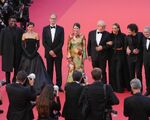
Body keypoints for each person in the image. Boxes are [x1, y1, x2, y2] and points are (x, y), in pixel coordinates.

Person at [18, 22, 50, 94]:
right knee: (25, 68)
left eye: (32, 27)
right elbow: (23, 46)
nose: (30, 28)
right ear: (27, 27)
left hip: (34, 54)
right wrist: (27, 54)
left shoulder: (36, 35)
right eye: (29, 27)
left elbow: (38, 46)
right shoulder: (24, 35)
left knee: (38, 70)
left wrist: (33, 53)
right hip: (26, 54)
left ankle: (35, 84)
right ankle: (24, 82)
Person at [42, 13, 64, 92]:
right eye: (51, 18)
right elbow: (44, 42)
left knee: (58, 70)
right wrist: (50, 51)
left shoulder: (61, 29)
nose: (53, 20)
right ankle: (50, 85)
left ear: (56, 19)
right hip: (48, 53)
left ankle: (58, 85)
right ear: (49, 19)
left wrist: (54, 51)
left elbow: (61, 42)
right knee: (49, 70)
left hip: (58, 53)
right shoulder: (45, 29)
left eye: (54, 18)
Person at [0, 15, 24, 84]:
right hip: (7, 53)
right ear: (8, 22)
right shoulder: (4, 31)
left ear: (16, 22)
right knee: (7, 69)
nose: (13, 22)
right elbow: (1, 41)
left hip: (17, 53)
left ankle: (15, 80)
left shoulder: (20, 30)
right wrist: (1, 52)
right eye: (11, 21)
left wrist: (22, 52)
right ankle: (7, 81)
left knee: (17, 68)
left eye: (14, 21)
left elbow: (23, 42)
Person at [109, 23, 130, 92]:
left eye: (115, 28)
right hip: (111, 56)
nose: (114, 29)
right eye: (113, 28)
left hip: (120, 56)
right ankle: (113, 87)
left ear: (118, 28)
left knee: (118, 71)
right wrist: (108, 44)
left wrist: (123, 48)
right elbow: (106, 44)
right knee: (112, 71)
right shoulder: (109, 36)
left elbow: (126, 45)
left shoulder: (123, 36)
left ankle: (120, 88)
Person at [125, 23, 143, 90]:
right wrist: (127, 49)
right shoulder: (127, 37)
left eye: (129, 30)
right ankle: (132, 89)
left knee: (138, 73)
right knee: (131, 74)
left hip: (139, 57)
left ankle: (140, 89)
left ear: (134, 30)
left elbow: (143, 44)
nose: (128, 32)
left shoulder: (140, 35)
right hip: (130, 58)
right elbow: (125, 46)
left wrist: (139, 50)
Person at [143, 26, 150, 96]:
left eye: (147, 32)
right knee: (147, 75)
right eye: (144, 32)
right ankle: (148, 90)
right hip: (146, 61)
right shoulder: (143, 39)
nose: (146, 33)